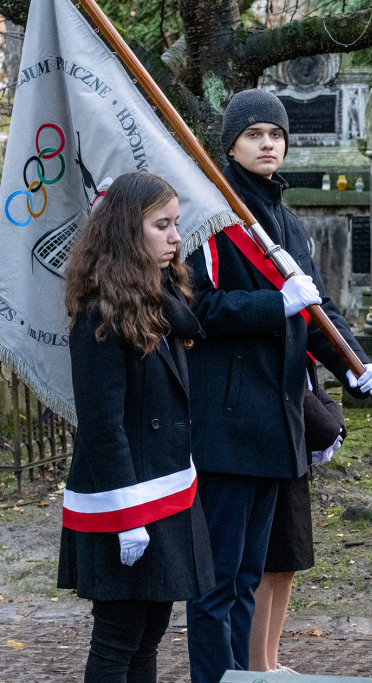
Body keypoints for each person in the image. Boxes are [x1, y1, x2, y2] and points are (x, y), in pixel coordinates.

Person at [184, 88, 372, 683]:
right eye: (254, 135)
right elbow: (201, 309)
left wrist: (356, 363)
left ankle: (241, 677)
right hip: (227, 419)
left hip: (278, 420)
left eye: (275, 134)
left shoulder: (289, 221)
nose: (268, 143)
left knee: (249, 573)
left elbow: (318, 313)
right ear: (231, 145)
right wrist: (273, 303)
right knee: (218, 581)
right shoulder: (216, 215)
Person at [58, 172, 214, 683]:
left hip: (166, 491)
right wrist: (126, 517)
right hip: (125, 499)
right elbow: (103, 426)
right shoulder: (101, 314)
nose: (175, 238)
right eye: (161, 225)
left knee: (149, 635)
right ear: (128, 230)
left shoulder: (159, 303)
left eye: (176, 224)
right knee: (117, 639)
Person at [249, 359, 346, 673]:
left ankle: (272, 663)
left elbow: (311, 380)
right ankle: (256, 668)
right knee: (265, 564)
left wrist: (333, 423)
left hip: (295, 445)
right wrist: (325, 426)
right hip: (263, 441)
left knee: (287, 562)